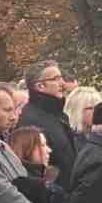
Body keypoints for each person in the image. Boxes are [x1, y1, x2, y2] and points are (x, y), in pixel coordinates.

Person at [17, 61, 78, 189]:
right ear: (40, 86)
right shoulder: (29, 120)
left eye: (61, 77)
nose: (63, 83)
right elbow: (32, 167)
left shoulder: (59, 115)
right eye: (56, 79)